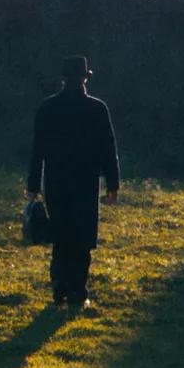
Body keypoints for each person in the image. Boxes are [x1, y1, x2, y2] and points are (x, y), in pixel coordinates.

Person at [26, 56, 119, 306]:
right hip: (86, 183)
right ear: (84, 78)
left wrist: (33, 186)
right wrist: (113, 183)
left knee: (61, 236)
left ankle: (59, 287)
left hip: (56, 182)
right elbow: (108, 148)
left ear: (63, 79)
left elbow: (38, 150)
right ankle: (78, 290)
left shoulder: (47, 108)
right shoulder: (98, 109)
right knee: (83, 238)